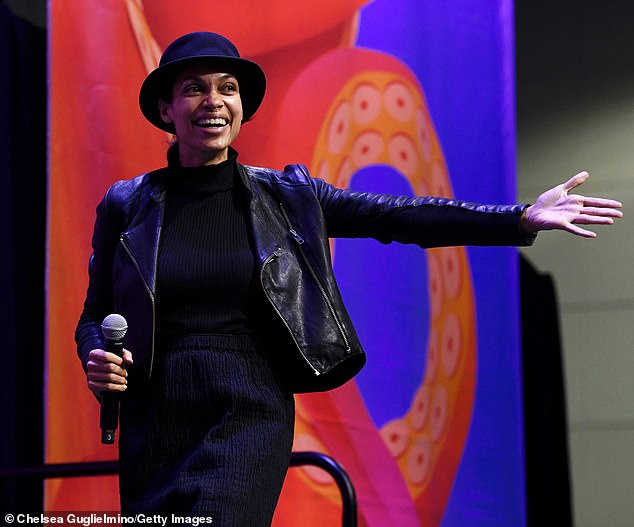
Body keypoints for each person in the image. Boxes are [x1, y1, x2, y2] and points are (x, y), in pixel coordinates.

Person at [75, 32, 622, 524]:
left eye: (228, 89)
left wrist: (518, 217)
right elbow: (93, 317)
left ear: (241, 107)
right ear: (167, 110)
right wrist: (98, 355)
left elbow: (395, 214)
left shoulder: (286, 196)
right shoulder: (127, 204)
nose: (214, 102)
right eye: (194, 89)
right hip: (156, 412)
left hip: (248, 403)